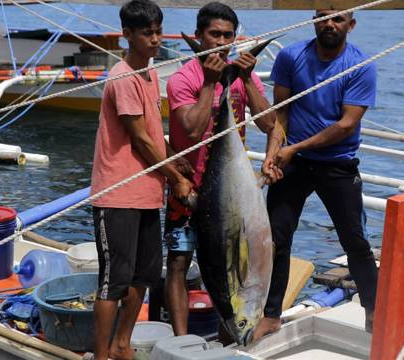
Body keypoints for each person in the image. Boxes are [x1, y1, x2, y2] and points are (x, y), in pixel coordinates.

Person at [254, 9, 379, 339]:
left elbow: (346, 124)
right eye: (324, 16)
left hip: (337, 162)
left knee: (355, 241)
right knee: (276, 239)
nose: (330, 24)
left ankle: (374, 310)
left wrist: (292, 149)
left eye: (339, 19)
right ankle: (270, 315)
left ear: (351, 25)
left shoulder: (361, 66)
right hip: (293, 162)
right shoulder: (290, 56)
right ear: (313, 20)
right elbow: (282, 112)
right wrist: (272, 156)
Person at [163, 1, 278, 337]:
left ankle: (231, 332)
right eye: (214, 35)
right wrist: (211, 83)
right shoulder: (183, 79)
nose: (221, 41)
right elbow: (193, 131)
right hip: (190, 190)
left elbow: (270, 124)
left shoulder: (244, 76)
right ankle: (182, 340)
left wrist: (245, 79)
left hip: (231, 192)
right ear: (199, 36)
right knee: (179, 264)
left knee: (231, 263)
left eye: (228, 35)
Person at [89, 1, 192, 359]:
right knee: (113, 281)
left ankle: (121, 344)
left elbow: (154, 133)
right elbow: (140, 139)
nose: (155, 39)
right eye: (147, 33)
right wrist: (176, 177)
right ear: (127, 35)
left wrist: (176, 161)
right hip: (117, 194)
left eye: (158, 31)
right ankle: (102, 355)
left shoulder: (149, 75)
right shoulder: (122, 75)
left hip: (147, 193)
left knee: (144, 275)